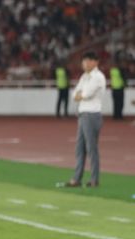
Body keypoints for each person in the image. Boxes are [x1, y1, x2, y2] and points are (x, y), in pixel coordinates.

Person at [61, 51, 106, 188]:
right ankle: (77, 178)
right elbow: (75, 94)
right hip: (82, 114)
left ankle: (94, 179)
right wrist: (80, 95)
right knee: (79, 148)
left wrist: (80, 95)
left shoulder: (98, 77)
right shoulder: (84, 77)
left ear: (95, 62)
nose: (84, 64)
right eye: (83, 61)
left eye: (88, 61)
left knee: (91, 148)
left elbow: (86, 94)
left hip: (92, 114)